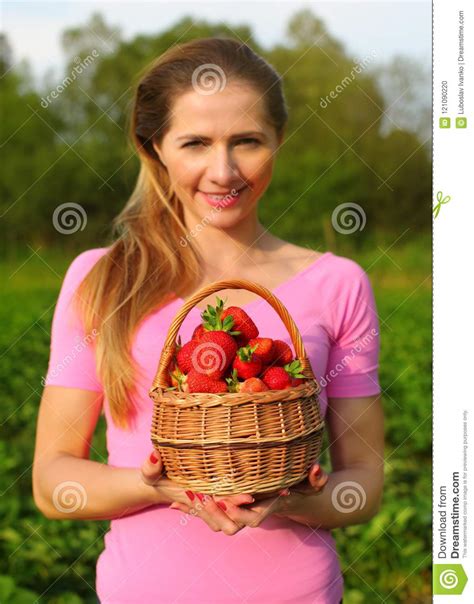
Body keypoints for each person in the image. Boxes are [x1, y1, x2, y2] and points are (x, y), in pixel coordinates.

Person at [32, 37, 384, 603]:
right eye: (195, 143)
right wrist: (160, 486)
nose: (223, 171)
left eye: (246, 142)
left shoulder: (338, 283)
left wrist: (291, 499)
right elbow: (52, 482)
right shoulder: (104, 278)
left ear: (278, 142)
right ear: (157, 148)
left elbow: (363, 481)